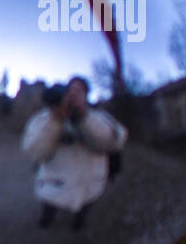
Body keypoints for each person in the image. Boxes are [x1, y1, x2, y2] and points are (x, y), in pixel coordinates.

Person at [21, 76, 128, 231]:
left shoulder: (100, 117)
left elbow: (112, 142)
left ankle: (78, 222)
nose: (73, 94)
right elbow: (35, 151)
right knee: (49, 207)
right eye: (70, 89)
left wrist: (84, 117)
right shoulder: (44, 118)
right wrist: (56, 119)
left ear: (86, 96)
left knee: (85, 207)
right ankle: (47, 218)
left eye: (79, 91)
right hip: (52, 185)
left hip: (91, 185)